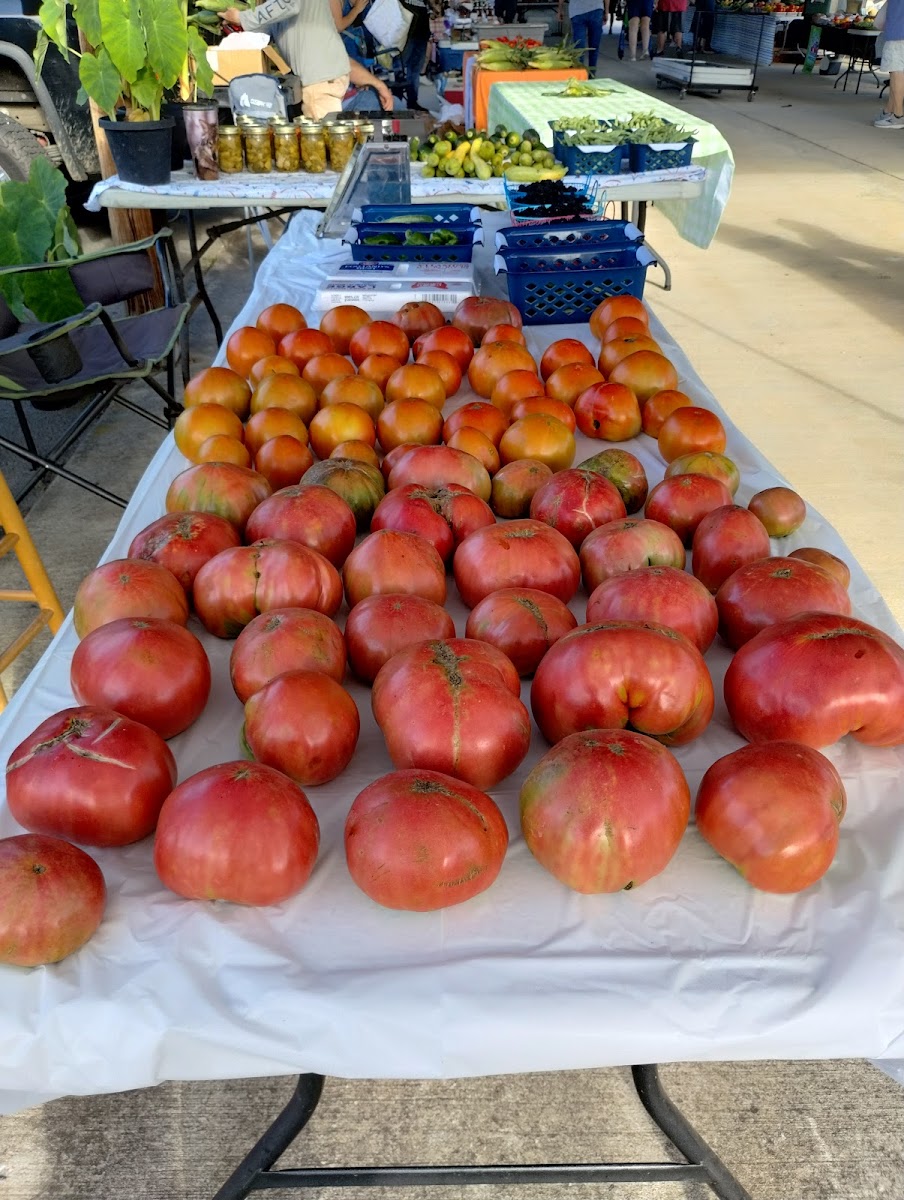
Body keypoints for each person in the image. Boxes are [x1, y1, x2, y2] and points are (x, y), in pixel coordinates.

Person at [222, 0, 351, 120]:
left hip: (319, 78)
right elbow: (273, 22)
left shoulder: (284, 3)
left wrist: (242, 18)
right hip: (323, 74)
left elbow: (289, 4)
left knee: (324, 138)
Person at [874, 0, 904, 127]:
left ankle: (898, 115)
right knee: (896, 73)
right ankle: (889, 110)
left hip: (898, 31)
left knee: (897, 72)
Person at [399, 0, 432, 110]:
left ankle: (412, 102)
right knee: (399, 68)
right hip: (406, 35)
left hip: (422, 32)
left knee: (415, 70)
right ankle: (395, 102)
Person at [558, 0, 608, 74]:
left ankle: (580, 75)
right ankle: (591, 74)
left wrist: (560, 9)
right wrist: (606, 11)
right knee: (593, 46)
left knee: (579, 47)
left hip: (578, 12)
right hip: (595, 10)